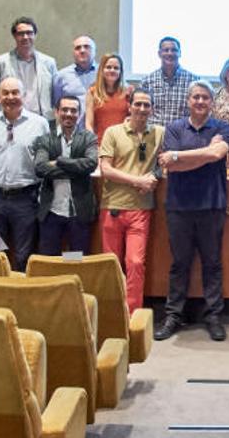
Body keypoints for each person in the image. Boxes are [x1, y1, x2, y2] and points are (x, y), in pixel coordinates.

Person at [154, 80, 229, 342]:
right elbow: (170, 166)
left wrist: (179, 156)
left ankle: (213, 316)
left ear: (212, 102)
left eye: (205, 98)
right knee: (179, 264)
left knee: (212, 263)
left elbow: (217, 155)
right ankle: (174, 315)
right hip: (179, 207)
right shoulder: (174, 127)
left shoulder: (222, 127)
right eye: (196, 97)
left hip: (212, 206)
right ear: (188, 101)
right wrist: (203, 153)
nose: (200, 102)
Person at [0, 77, 50, 271]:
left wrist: (42, 199)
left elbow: (45, 166)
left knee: (24, 255)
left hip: (26, 199)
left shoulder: (39, 124)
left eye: (15, 92)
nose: (10, 97)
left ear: (23, 95)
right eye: (5, 93)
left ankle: (20, 297)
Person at [100, 87, 164, 314]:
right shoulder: (113, 132)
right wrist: (138, 181)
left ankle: (131, 314)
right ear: (129, 106)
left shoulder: (159, 133)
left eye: (147, 105)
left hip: (141, 209)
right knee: (111, 264)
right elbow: (105, 169)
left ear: (153, 109)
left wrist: (154, 176)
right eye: (138, 104)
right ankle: (111, 313)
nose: (142, 109)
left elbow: (165, 164)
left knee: (135, 263)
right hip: (113, 207)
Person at [33, 96, 98, 255]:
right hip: (51, 212)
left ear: (79, 114)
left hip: (79, 212)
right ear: (57, 112)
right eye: (64, 110)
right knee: (50, 260)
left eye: (73, 110)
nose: (69, 114)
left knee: (75, 260)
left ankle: (73, 281)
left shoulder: (88, 138)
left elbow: (90, 164)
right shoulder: (45, 139)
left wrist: (59, 161)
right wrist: (76, 170)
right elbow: (40, 168)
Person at [0, 16, 58, 120]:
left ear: (35, 35)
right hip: (11, 119)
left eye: (29, 33)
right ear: (14, 36)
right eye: (21, 33)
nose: (25, 37)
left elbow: (54, 93)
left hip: (42, 120)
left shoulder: (49, 62)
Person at [140, 36, 199, 126]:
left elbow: (198, 112)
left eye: (174, 50)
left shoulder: (194, 81)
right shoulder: (147, 81)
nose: (170, 53)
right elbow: (141, 111)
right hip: (154, 136)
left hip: (182, 136)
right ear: (159, 54)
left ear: (180, 53)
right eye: (166, 50)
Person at [52, 35, 98, 130]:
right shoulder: (61, 76)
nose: (82, 50)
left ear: (94, 51)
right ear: (73, 52)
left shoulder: (103, 74)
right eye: (78, 48)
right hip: (71, 132)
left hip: (97, 131)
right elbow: (57, 106)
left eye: (86, 47)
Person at [85, 53, 130, 144]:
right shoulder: (92, 92)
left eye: (116, 68)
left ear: (121, 71)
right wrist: (94, 144)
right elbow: (88, 124)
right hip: (100, 143)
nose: (112, 70)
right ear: (102, 70)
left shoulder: (128, 92)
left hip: (123, 144)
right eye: (108, 67)